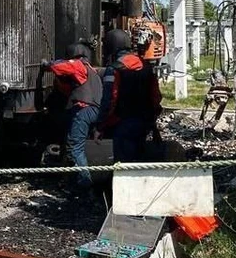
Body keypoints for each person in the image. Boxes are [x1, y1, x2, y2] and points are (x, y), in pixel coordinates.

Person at [41, 42, 102, 189]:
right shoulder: (93, 72)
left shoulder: (78, 65)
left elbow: (61, 67)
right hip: (95, 111)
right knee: (76, 144)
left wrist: (47, 65)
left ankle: (84, 182)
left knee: (74, 148)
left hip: (83, 110)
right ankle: (73, 179)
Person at [97, 28, 162, 163]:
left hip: (122, 122)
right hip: (144, 121)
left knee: (123, 162)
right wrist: (152, 119)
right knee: (139, 158)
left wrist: (100, 125)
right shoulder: (147, 68)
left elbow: (110, 100)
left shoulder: (114, 69)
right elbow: (156, 96)